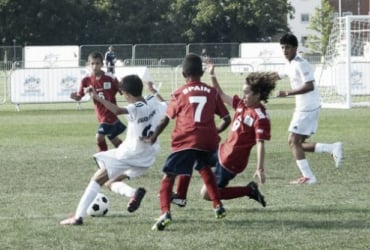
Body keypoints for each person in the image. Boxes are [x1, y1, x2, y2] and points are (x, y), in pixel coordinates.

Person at [60, 75, 167, 225]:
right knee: (109, 182)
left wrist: (96, 96)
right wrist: (154, 91)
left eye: (122, 93)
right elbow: (165, 104)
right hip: (148, 156)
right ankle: (133, 193)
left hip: (129, 154)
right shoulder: (152, 100)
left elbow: (116, 110)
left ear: (127, 94)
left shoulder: (134, 108)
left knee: (97, 179)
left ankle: (78, 217)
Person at [145, 53, 231, 231]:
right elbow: (227, 118)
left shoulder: (179, 93)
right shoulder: (212, 92)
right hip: (208, 140)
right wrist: (214, 132)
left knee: (168, 175)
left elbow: (165, 120)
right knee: (204, 167)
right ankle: (217, 205)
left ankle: (165, 213)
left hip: (186, 138)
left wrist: (153, 137)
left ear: (184, 73)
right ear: (202, 72)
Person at [173, 63, 275, 208]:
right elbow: (220, 94)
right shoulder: (242, 104)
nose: (243, 96)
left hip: (232, 161)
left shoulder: (261, 117)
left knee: (207, 194)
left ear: (257, 94)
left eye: (247, 93)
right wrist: (212, 74)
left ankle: (249, 190)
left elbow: (260, 143)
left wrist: (260, 169)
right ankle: (180, 195)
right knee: (193, 153)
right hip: (222, 151)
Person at [276, 33, 343, 184]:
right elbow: (277, 75)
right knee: (297, 144)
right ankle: (331, 148)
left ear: (294, 48)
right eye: (282, 48)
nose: (284, 50)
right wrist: (259, 79)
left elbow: (309, 85)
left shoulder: (301, 63)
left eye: (287, 47)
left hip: (307, 107)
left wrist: (286, 93)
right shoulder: (289, 63)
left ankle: (309, 177)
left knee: (293, 141)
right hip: (304, 107)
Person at [70, 52, 126, 152]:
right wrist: (75, 97)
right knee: (115, 141)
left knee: (99, 137)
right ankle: (128, 156)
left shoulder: (110, 78)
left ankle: (103, 162)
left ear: (102, 64)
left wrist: (125, 88)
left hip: (110, 113)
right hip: (100, 115)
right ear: (88, 64)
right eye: (92, 63)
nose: (95, 66)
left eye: (97, 63)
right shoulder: (86, 80)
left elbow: (123, 91)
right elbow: (80, 96)